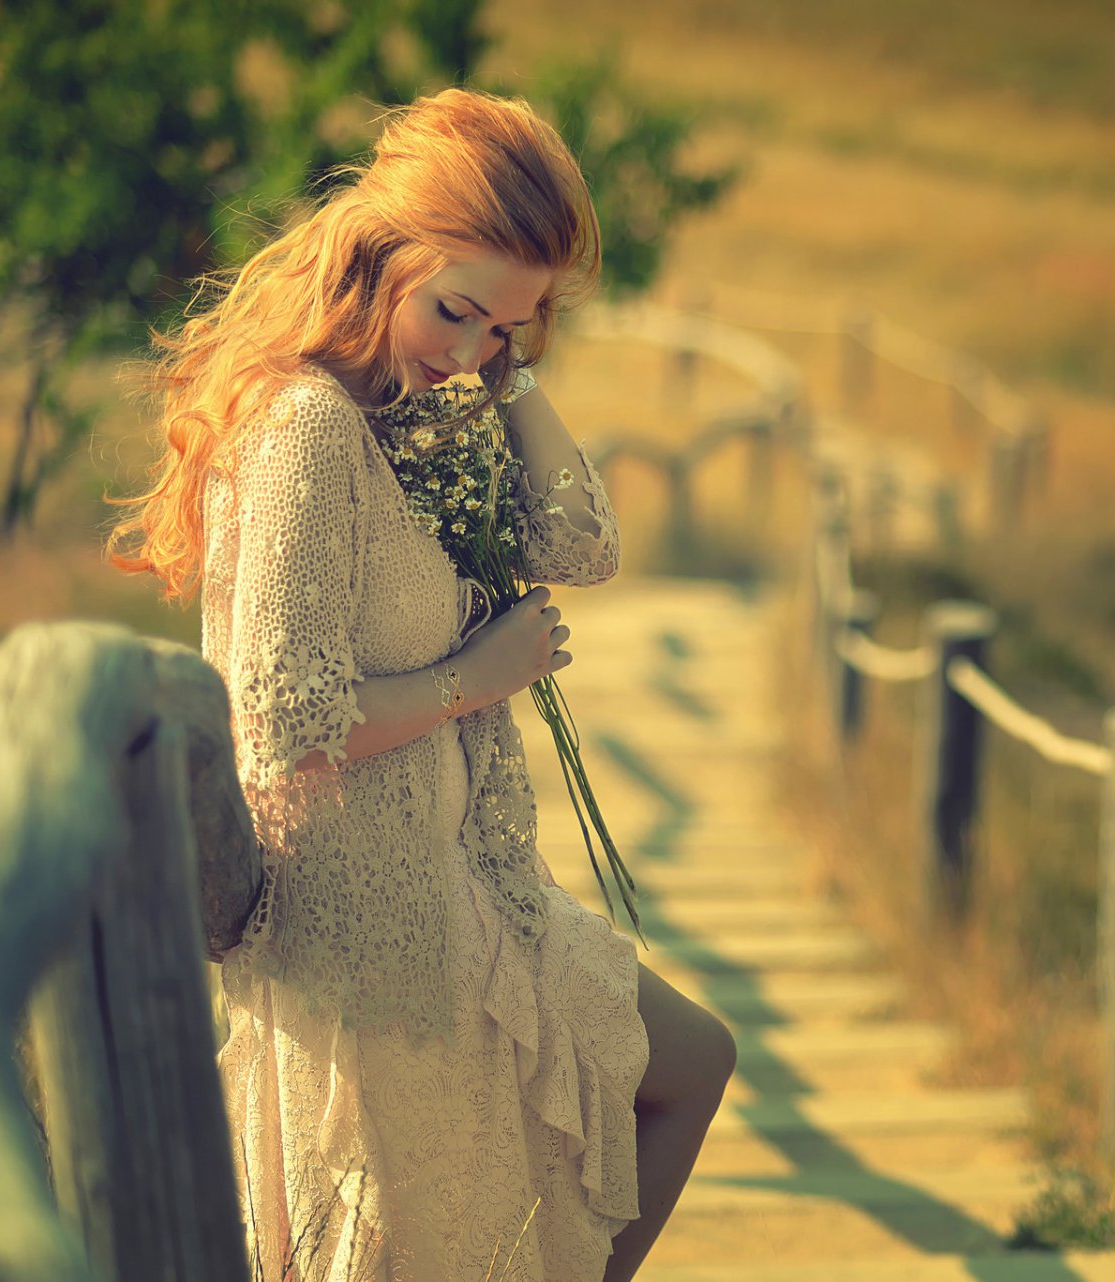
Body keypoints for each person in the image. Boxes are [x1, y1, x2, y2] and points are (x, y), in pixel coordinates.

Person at [105, 87, 736, 1282]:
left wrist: (511, 378)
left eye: (508, 327)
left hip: (466, 889)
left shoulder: (403, 415)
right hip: (366, 921)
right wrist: (472, 676)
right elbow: (282, 729)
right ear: (383, 250)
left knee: (688, 1063)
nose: (468, 351)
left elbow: (580, 547)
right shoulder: (305, 428)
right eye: (456, 310)